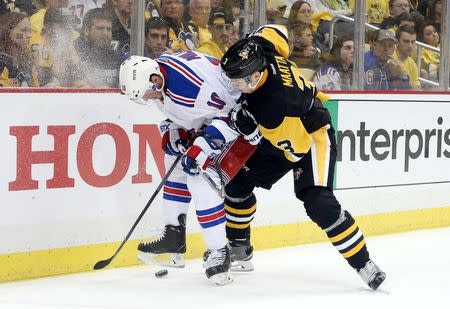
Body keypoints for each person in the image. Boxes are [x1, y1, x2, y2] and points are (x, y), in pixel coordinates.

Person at [220, 24, 386, 290]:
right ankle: (240, 247)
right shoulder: (261, 48)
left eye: (238, 80)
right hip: (284, 130)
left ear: (254, 76)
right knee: (237, 181)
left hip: (310, 136)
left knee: (318, 202)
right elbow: (276, 29)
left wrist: (248, 126)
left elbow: (293, 151)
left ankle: (363, 263)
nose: (233, 84)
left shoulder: (273, 108)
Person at [119, 52, 258, 285]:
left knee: (199, 174)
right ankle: (174, 236)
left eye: (146, 93)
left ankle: (219, 252)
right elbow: (182, 114)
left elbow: (232, 119)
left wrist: (201, 146)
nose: (148, 98)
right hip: (216, 118)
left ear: (155, 80)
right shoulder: (158, 73)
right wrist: (175, 131)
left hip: (243, 126)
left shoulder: (192, 91)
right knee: (175, 165)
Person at [74, 8, 122, 87]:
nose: (105, 33)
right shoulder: (75, 52)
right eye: (100, 28)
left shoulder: (117, 58)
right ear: (86, 30)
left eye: (109, 29)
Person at [0, 11, 37, 87]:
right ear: (8, 31)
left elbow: (35, 88)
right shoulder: (1, 60)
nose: (29, 35)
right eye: (23, 30)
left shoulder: (28, 60)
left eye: (30, 30)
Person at [393, 24, 420, 89]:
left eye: (413, 42)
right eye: (406, 41)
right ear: (397, 42)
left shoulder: (412, 63)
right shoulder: (389, 58)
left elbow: (417, 88)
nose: (410, 46)